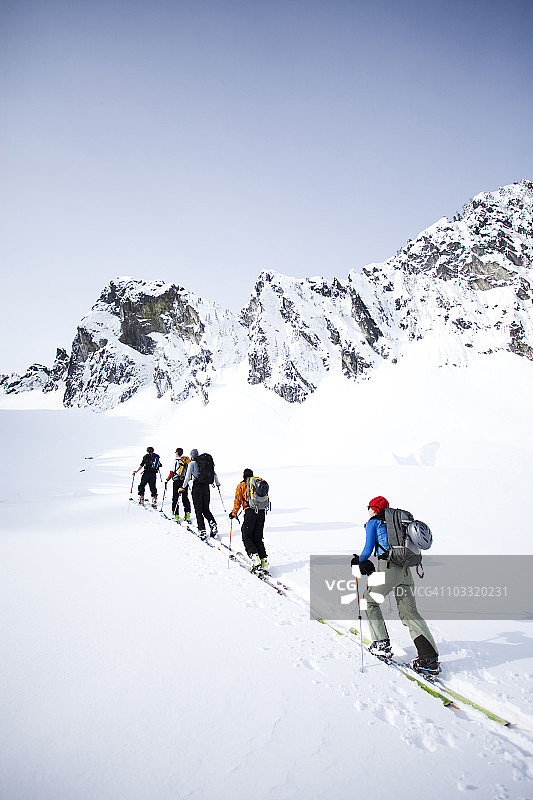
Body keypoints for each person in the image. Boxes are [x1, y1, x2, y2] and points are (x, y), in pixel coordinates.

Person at [352, 495, 441, 676]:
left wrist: (358, 561)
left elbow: (368, 549)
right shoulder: (398, 524)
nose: (368, 510)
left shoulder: (373, 523)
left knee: (370, 601)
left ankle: (381, 643)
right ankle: (429, 659)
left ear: (374, 508)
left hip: (389, 568)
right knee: (410, 612)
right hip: (406, 571)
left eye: (369, 507)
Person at [229, 468, 268, 572]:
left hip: (250, 512)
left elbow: (237, 501)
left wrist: (233, 514)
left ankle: (255, 558)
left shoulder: (241, 486)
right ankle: (264, 561)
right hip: (261, 512)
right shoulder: (257, 485)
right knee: (258, 537)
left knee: (246, 535)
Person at [179, 449, 220, 539]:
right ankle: (212, 523)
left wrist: (183, 487)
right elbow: (214, 474)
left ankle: (202, 530)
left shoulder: (192, 463)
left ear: (191, 456)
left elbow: (187, 476)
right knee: (205, 508)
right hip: (206, 487)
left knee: (198, 509)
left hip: (197, 487)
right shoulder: (205, 463)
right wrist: (217, 483)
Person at [165, 448, 191, 521]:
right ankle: (187, 514)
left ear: (176, 453)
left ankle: (176, 515)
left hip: (176, 481)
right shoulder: (186, 461)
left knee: (175, 498)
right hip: (184, 481)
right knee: (185, 498)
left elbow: (172, 472)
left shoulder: (175, 461)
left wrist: (167, 480)